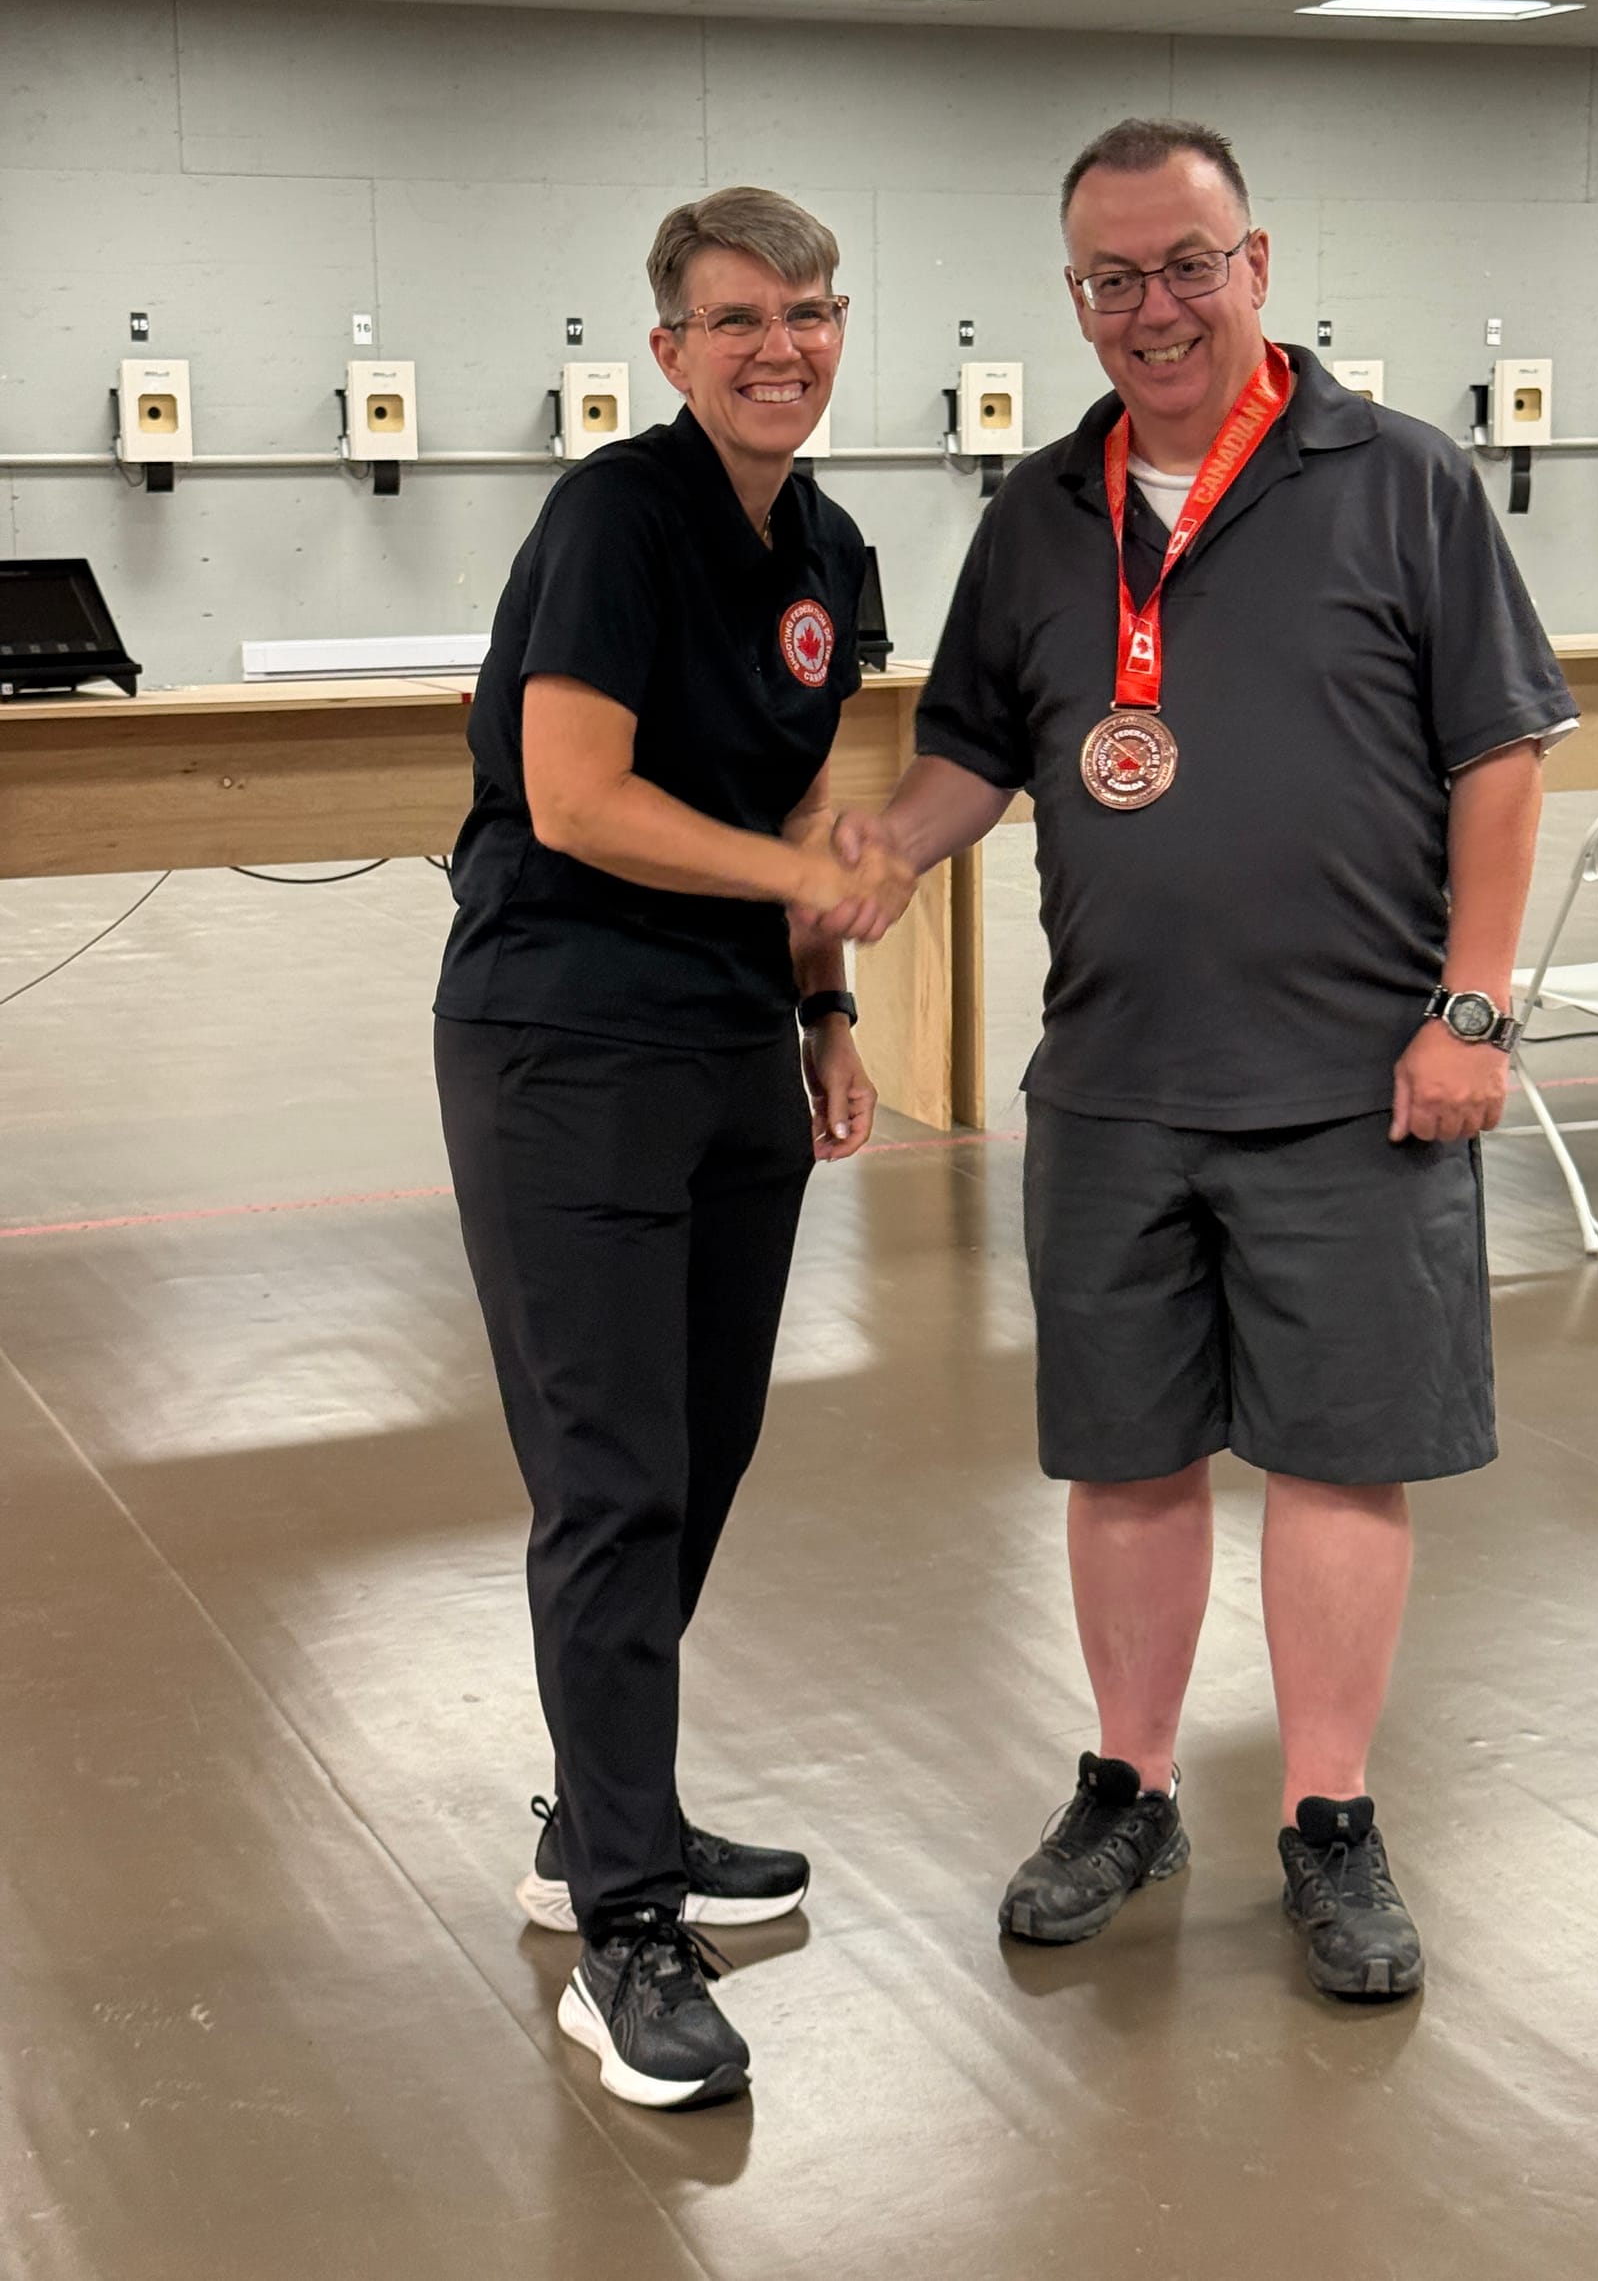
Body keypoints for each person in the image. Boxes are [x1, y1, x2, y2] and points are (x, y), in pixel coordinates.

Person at [829, 118, 1577, 2002]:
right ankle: (1130, 1786)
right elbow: (975, 752)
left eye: (1185, 264)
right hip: (1118, 1084)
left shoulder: (1397, 480)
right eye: (1109, 278)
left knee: (1342, 1464)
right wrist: (882, 852)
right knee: (1128, 1458)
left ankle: (1330, 1821)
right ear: (1071, 297)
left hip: (1358, 1083)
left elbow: (1502, 756)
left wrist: (1471, 1005)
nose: (1151, 308)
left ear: (1257, 265)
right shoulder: (1034, 517)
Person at [434, 186, 912, 2109]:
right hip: (564, 1039)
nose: (777, 346)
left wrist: (822, 1003)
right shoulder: (613, 522)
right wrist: (800, 878)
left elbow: (795, 780)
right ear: (670, 348)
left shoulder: (833, 546)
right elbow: (575, 796)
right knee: (613, 1476)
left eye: (807, 312)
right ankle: (622, 1924)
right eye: (736, 320)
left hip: (729, 1045)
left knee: (703, 1451)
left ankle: (600, 1812)